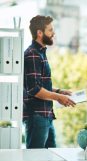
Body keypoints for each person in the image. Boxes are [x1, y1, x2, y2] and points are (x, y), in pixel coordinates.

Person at [23, 15, 76, 149]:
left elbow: (39, 86)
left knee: (49, 157)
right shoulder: (33, 54)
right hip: (37, 116)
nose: (53, 33)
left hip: (45, 115)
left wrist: (59, 91)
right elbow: (34, 89)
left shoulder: (40, 53)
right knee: (35, 160)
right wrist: (59, 97)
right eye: (50, 30)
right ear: (39, 33)